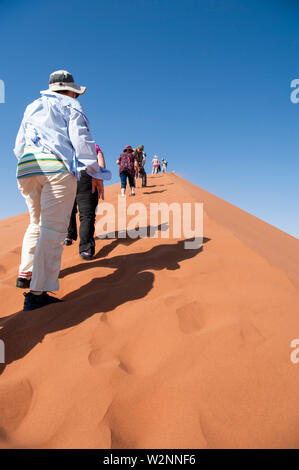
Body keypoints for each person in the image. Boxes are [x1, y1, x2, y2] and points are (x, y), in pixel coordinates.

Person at [14, 70, 111, 311]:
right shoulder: (71, 105)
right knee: (53, 229)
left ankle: (25, 273)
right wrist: (95, 171)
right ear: (70, 90)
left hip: (26, 167)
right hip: (55, 168)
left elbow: (18, 145)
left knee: (35, 223)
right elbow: (81, 141)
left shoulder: (33, 105)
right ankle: (37, 293)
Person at [64, 144, 106, 260]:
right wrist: (100, 177)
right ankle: (85, 248)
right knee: (87, 214)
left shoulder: (66, 143)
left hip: (68, 177)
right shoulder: (91, 144)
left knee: (69, 209)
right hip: (86, 175)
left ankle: (69, 236)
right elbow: (100, 157)